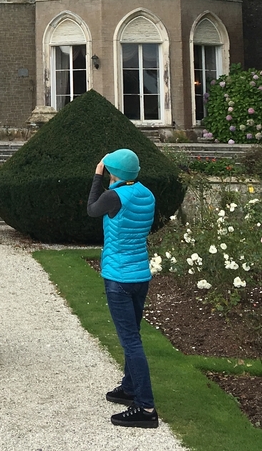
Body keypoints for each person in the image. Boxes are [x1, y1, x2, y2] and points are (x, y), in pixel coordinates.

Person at [87, 147, 159, 428]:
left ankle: (146, 407)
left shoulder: (113, 195)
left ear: (113, 171)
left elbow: (92, 210)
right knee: (134, 335)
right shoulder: (146, 194)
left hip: (118, 276)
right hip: (141, 274)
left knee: (130, 340)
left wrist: (96, 176)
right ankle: (129, 388)